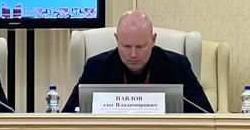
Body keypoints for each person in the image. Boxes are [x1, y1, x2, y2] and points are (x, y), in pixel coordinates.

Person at [63, 10, 213, 113]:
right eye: (126, 46)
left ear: (153, 40)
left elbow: (206, 117)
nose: (133, 54)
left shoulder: (177, 66)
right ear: (117, 39)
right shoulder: (96, 67)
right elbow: (68, 117)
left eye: (140, 46)